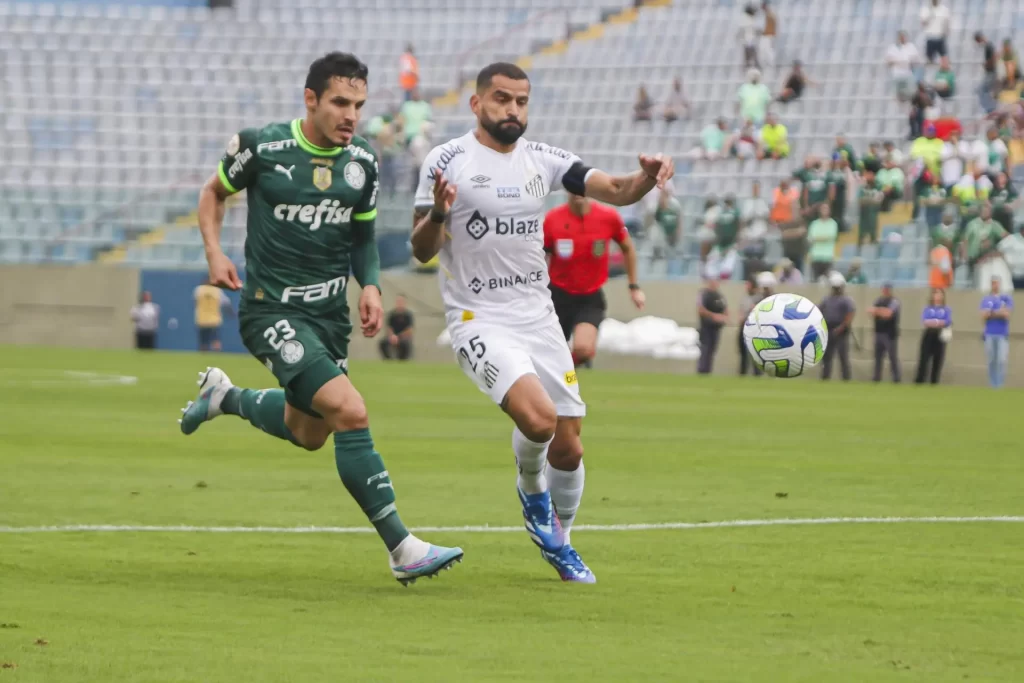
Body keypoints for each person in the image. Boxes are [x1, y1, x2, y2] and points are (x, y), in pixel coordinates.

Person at [179, 52, 463, 585]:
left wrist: (372, 286)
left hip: (328, 316)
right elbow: (213, 192)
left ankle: (226, 398)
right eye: (339, 102)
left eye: (358, 103)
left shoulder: (364, 162)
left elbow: (362, 237)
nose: (351, 114)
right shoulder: (261, 146)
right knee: (350, 412)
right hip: (271, 310)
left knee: (309, 432)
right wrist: (214, 252)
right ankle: (403, 548)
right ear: (311, 100)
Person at [409, 62, 674, 584]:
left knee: (570, 444)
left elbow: (617, 189)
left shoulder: (544, 159)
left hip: (538, 315)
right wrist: (439, 215)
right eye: (502, 99)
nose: (513, 110)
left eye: (521, 101)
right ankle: (532, 495)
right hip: (478, 317)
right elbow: (421, 250)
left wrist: (646, 175)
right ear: (477, 103)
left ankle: (563, 543)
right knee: (538, 421)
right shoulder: (448, 161)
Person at [544, 192, 644, 367]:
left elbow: (628, 248)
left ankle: (564, 374)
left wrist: (633, 286)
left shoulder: (608, 217)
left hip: (589, 297)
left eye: (581, 187)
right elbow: (540, 255)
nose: (577, 192)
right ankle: (559, 380)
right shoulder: (553, 219)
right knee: (549, 354)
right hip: (558, 295)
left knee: (583, 349)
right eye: (572, 187)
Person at [819, 271, 855, 381]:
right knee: (826, 357)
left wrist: (841, 327)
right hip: (828, 329)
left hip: (841, 331)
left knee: (843, 356)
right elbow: (819, 311)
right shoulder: (826, 299)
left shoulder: (846, 300)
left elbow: (849, 315)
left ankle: (846, 378)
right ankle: (825, 377)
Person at [980, 277, 1013, 388]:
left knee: (1001, 360)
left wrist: (992, 313)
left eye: (997, 283)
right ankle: (993, 384)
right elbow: (984, 315)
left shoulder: (1006, 298)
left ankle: (999, 384)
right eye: (993, 283)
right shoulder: (986, 299)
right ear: (991, 285)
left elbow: (1007, 314)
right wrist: (999, 312)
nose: (995, 285)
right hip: (989, 333)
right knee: (991, 360)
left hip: (1002, 334)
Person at [916, 288, 951, 384]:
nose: (938, 296)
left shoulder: (946, 309)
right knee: (924, 359)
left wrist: (935, 322)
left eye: (940, 294)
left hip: (940, 335)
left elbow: (947, 321)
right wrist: (938, 322)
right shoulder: (928, 309)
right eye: (936, 294)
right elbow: (925, 321)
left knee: (938, 360)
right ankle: (920, 381)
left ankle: (934, 382)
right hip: (929, 334)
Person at [868, 282, 902, 383]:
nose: (885, 291)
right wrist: (881, 311)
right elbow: (870, 311)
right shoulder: (878, 300)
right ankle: (876, 377)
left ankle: (896, 378)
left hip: (890, 334)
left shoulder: (894, 301)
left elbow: (888, 313)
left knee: (892, 357)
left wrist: (878, 311)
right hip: (878, 332)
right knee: (878, 357)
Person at [697, 275, 728, 375]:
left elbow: (726, 310)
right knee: (705, 349)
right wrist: (714, 316)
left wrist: (723, 317)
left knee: (712, 350)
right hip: (706, 327)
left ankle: (708, 371)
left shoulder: (720, 296)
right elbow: (701, 310)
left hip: (716, 328)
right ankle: (702, 371)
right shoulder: (704, 295)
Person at [193, 279, 234, 352]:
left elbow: (195, 302)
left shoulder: (199, 290)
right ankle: (217, 357)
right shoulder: (217, 291)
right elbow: (226, 303)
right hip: (214, 320)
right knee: (216, 340)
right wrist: (231, 314)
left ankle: (203, 359)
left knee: (203, 341)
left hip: (202, 319)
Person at [807, 203, 838, 281]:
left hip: (827, 257)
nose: (824, 211)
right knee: (814, 281)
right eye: (823, 209)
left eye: (826, 209)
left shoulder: (833, 224)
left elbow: (830, 237)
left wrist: (817, 238)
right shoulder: (814, 224)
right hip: (815, 256)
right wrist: (824, 237)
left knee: (828, 281)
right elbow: (810, 239)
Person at [378, 295, 414, 361]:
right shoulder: (392, 314)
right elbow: (389, 327)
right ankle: (388, 360)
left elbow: (409, 330)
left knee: (406, 344)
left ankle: (402, 361)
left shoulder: (408, 315)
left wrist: (399, 337)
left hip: (403, 338)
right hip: (392, 337)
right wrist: (392, 336)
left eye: (401, 301)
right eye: (398, 301)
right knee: (382, 343)